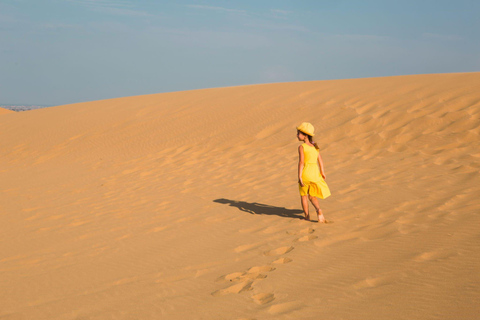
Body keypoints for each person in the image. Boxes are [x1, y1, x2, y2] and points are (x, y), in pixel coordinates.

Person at [296, 122, 331, 222]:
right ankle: (318, 210)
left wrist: (300, 177)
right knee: (312, 196)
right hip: (315, 174)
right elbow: (320, 160)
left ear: (305, 135)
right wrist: (322, 172)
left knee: (304, 196)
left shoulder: (301, 147)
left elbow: (301, 162)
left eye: (299, 133)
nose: (297, 135)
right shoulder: (315, 146)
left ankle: (307, 216)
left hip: (306, 174)